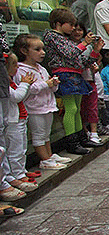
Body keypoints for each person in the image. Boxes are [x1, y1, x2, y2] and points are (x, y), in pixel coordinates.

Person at [42, 8, 102, 155]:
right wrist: (85, 43)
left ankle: (81, 137)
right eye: (71, 24)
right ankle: (72, 141)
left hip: (76, 74)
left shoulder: (65, 39)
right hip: (64, 74)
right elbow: (70, 54)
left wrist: (95, 51)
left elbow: (82, 61)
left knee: (77, 108)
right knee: (71, 108)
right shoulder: (52, 37)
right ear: (58, 23)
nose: (73, 28)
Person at [12, 34, 66, 170]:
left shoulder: (41, 68)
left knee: (46, 134)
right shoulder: (21, 70)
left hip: (47, 106)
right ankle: (45, 160)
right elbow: (28, 89)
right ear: (24, 51)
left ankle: (49, 155)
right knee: (38, 135)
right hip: (34, 108)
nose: (42, 53)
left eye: (43, 49)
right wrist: (46, 84)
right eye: (37, 49)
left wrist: (53, 84)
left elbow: (49, 86)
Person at [5, 53, 37, 193]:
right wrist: (25, 84)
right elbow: (16, 97)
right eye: (14, 65)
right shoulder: (6, 84)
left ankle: (21, 170)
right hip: (13, 121)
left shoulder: (12, 82)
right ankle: (17, 174)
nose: (17, 68)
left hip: (20, 118)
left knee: (22, 147)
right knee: (15, 149)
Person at [70, 21, 104, 147]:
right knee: (80, 108)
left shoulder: (89, 47)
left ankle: (94, 132)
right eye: (74, 29)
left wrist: (95, 60)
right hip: (77, 80)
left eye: (80, 30)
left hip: (90, 78)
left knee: (92, 106)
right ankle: (84, 132)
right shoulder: (70, 46)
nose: (77, 32)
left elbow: (91, 60)